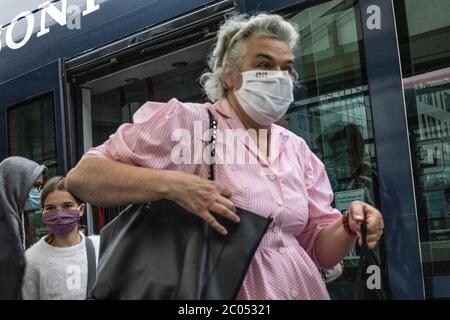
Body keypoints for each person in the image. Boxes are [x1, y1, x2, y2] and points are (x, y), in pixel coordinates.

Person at [65, 13, 384, 300]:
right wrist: (172, 185)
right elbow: (83, 177)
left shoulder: (295, 148)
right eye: (264, 65)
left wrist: (348, 225)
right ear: (230, 75)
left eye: (287, 68)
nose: (279, 77)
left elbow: (318, 251)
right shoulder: (190, 124)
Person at [22, 176, 97, 300]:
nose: (59, 214)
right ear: (43, 213)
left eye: (67, 206)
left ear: (81, 209)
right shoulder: (31, 260)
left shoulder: (100, 248)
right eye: (51, 208)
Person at [0, 156, 46, 300]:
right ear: (16, 183)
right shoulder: (5, 222)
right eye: (35, 186)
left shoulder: (16, 218)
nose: (38, 193)